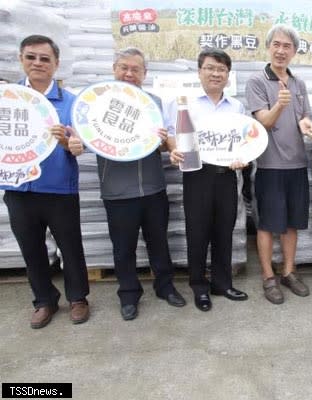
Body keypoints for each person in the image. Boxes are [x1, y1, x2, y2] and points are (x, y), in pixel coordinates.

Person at [69, 47, 186, 321]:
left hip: (154, 189)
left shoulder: (154, 104)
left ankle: (165, 287)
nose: (129, 73)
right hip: (117, 192)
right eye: (124, 67)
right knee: (123, 248)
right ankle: (129, 294)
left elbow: (168, 139)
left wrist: (168, 144)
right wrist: (73, 143)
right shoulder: (98, 104)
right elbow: (84, 140)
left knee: (159, 242)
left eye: (136, 69)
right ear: (114, 69)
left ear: (145, 74)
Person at [1, 35, 90, 328]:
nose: (37, 63)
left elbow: (81, 142)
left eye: (44, 58)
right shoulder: (8, 99)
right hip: (19, 188)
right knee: (31, 247)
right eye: (31, 57)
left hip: (59, 187)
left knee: (70, 245)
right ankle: (43, 301)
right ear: (21, 60)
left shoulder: (71, 102)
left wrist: (73, 145)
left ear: (56, 64)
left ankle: (78, 298)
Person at [168, 48, 248, 312]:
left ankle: (222, 283)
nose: (216, 73)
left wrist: (244, 158)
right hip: (197, 175)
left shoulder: (236, 106)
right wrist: (173, 149)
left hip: (227, 175)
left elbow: (244, 139)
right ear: (199, 71)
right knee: (198, 232)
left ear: (228, 75)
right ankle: (199, 287)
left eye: (221, 69)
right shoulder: (185, 103)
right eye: (210, 68)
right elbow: (171, 135)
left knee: (225, 230)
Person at [245, 24, 312, 304]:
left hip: (297, 165)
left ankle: (288, 272)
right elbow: (264, 121)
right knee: (266, 226)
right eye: (277, 44)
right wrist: (280, 105)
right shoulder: (257, 81)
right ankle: (268, 277)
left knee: (291, 224)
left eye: (287, 46)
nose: (281, 50)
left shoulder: (299, 83)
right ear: (269, 47)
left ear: (295, 52)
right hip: (269, 167)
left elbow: (305, 119)